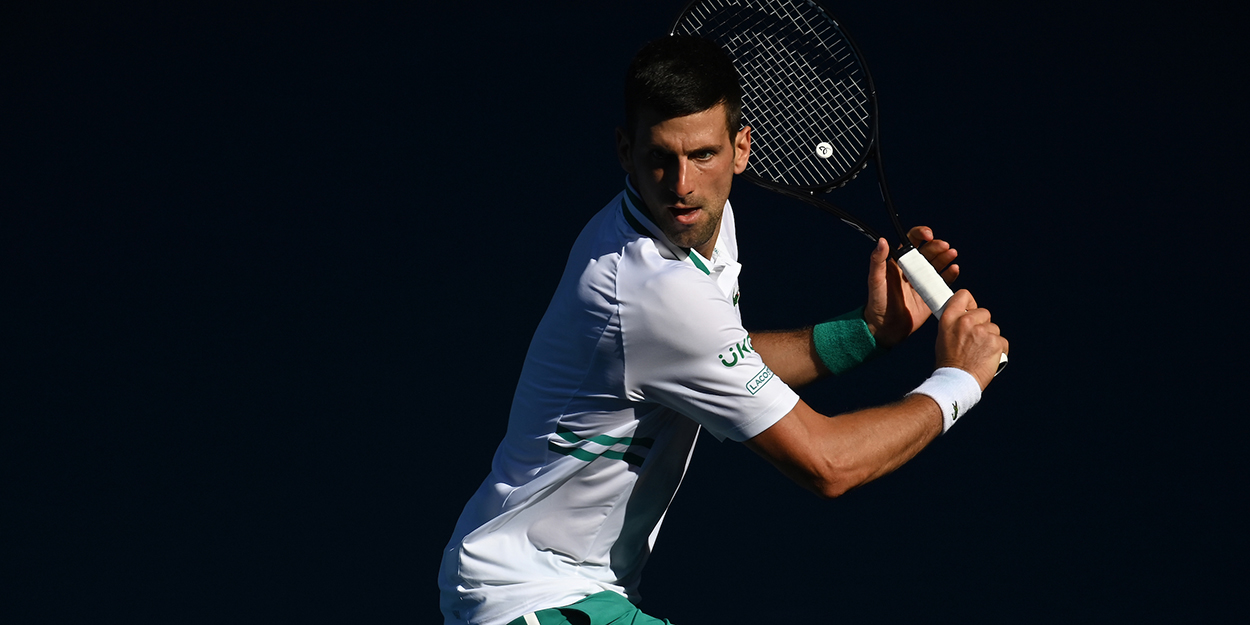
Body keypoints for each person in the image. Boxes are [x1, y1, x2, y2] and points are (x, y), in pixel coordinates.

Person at [437, 35, 1007, 625]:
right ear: (625, 150)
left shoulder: (692, 227)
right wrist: (959, 379)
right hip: (529, 596)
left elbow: (722, 356)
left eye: (703, 156)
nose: (681, 184)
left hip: (573, 590)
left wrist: (864, 333)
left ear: (741, 149)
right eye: (659, 157)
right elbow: (829, 464)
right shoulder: (650, 289)